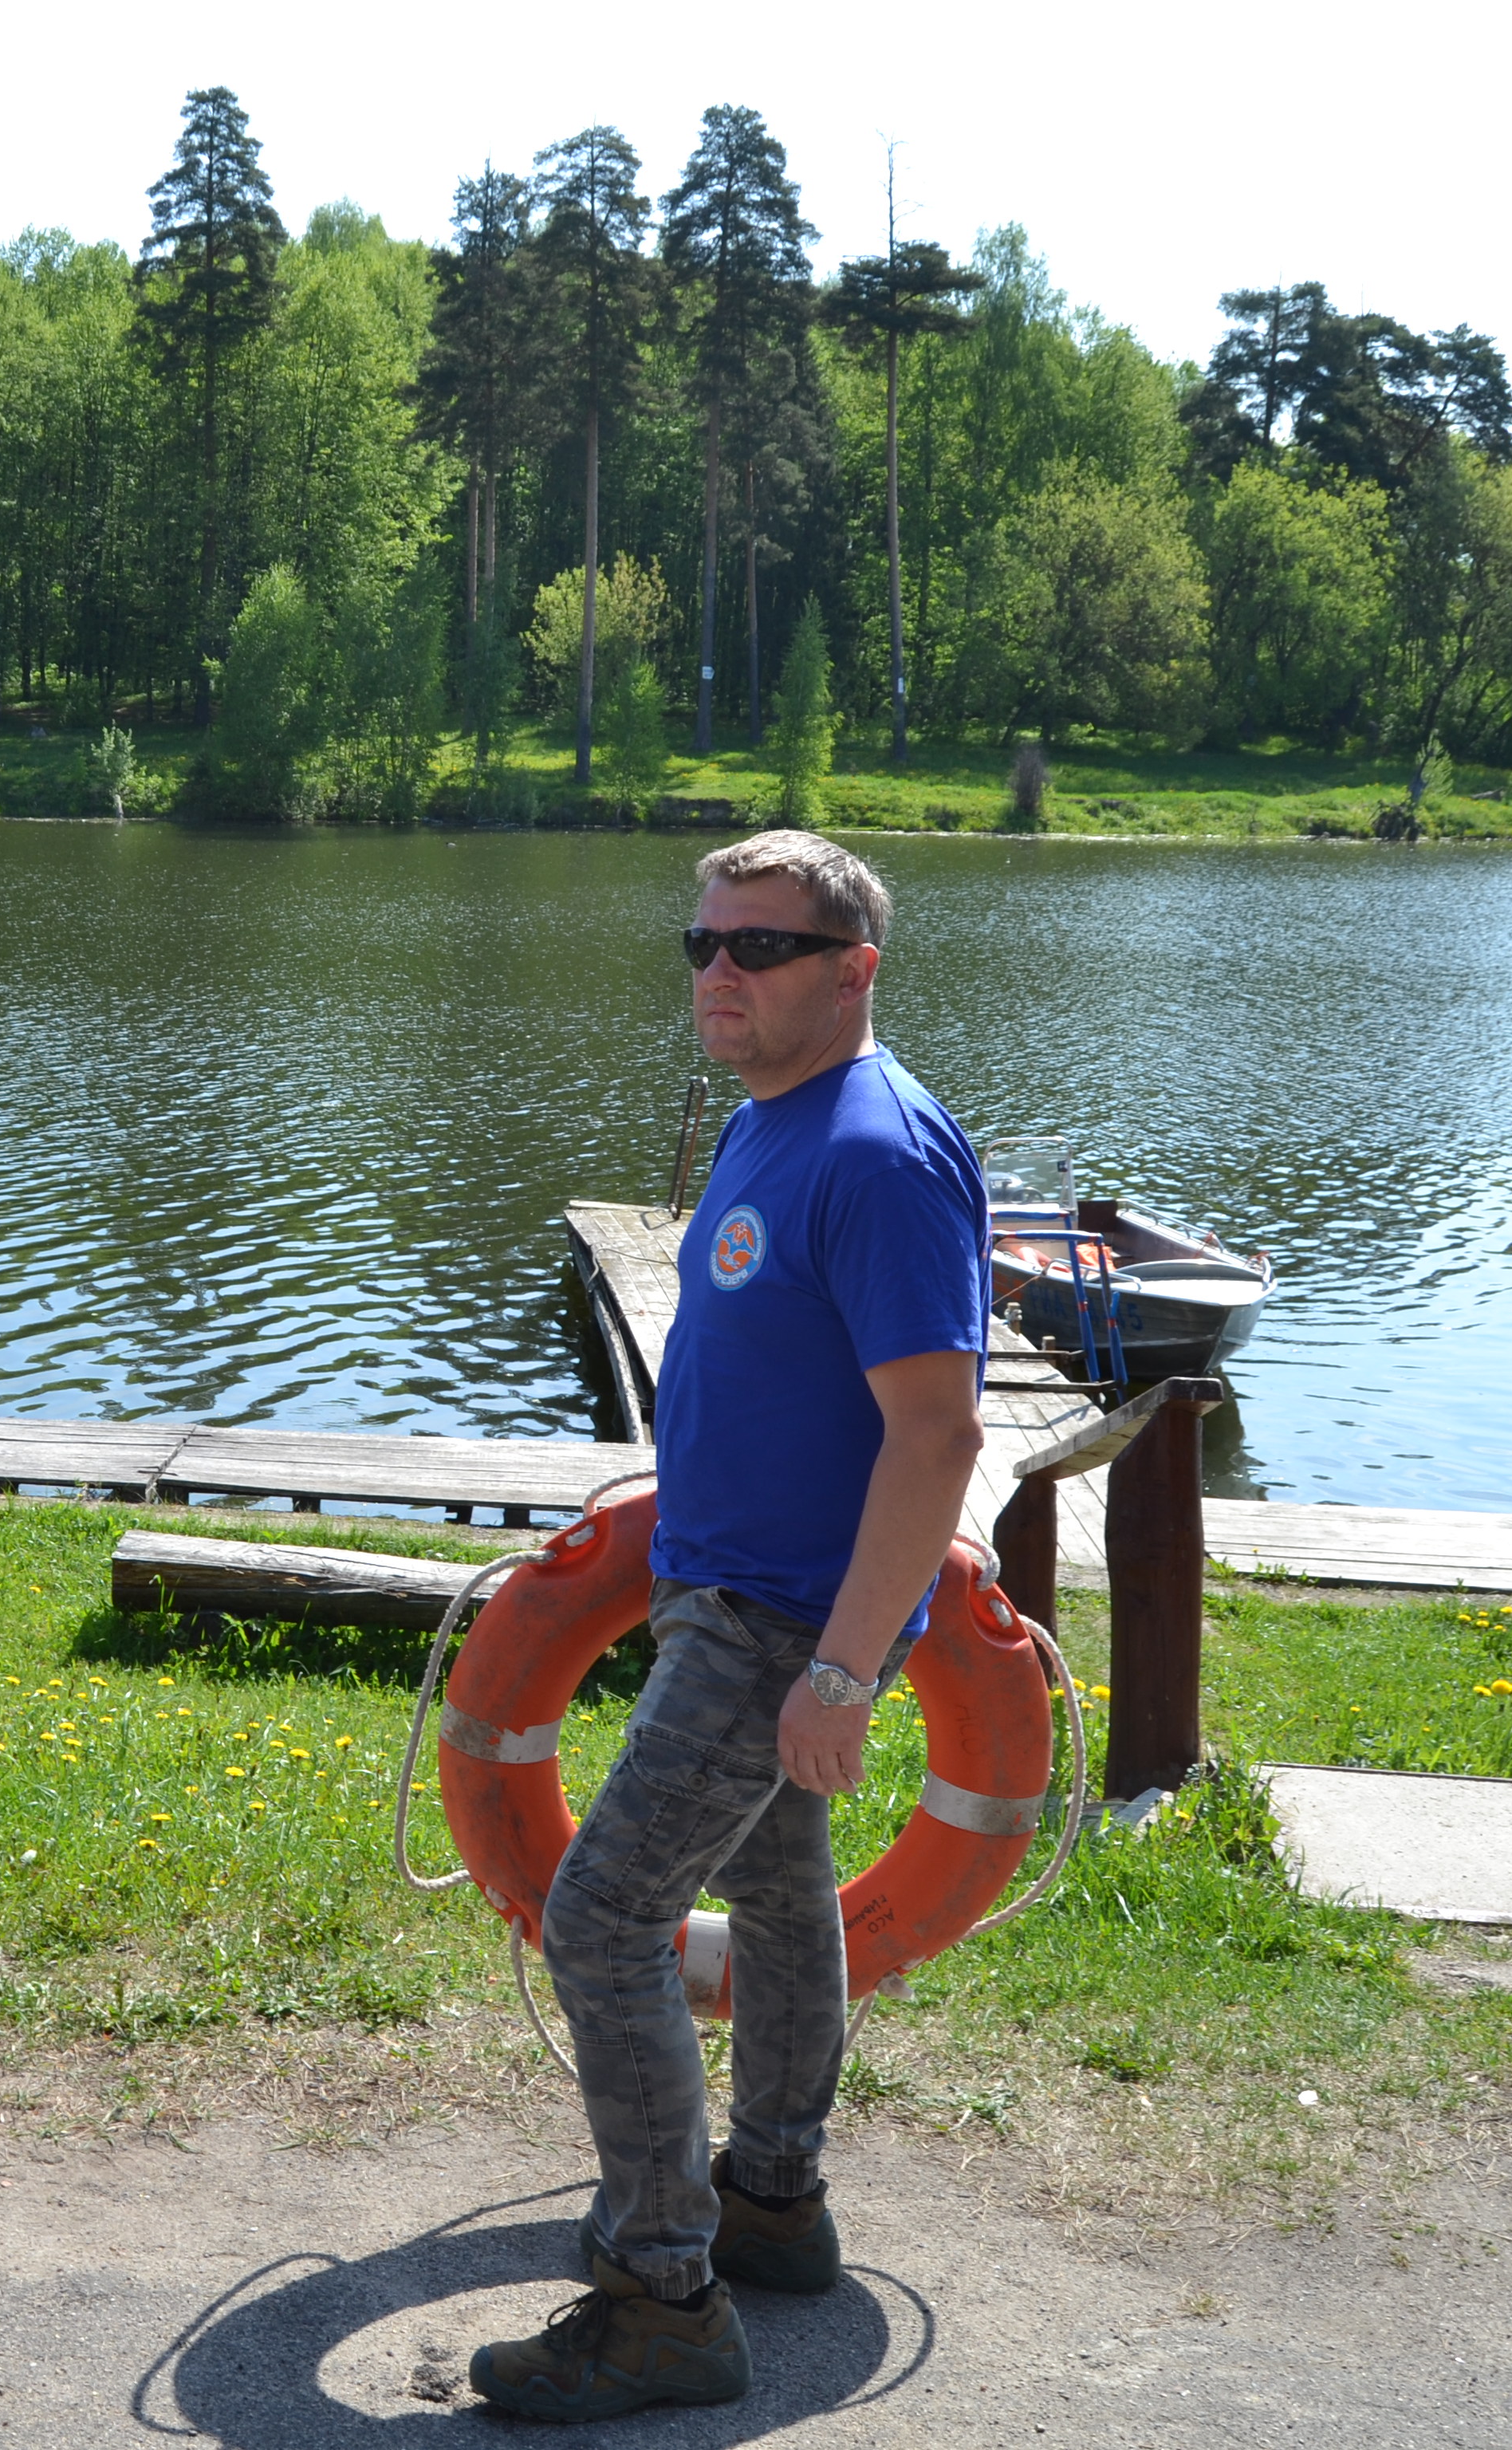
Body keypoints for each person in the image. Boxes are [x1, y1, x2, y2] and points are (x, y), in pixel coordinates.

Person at [468, 830, 988, 2422]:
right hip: (727, 1592)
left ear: (854, 969)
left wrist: (845, 1661)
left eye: (758, 948)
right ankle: (770, 2200)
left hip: (776, 1624)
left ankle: (663, 2296)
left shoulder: (878, 1152)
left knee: (603, 1920)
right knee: (778, 1898)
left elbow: (940, 1436)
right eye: (699, 945)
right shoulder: (778, 1120)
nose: (718, 973)